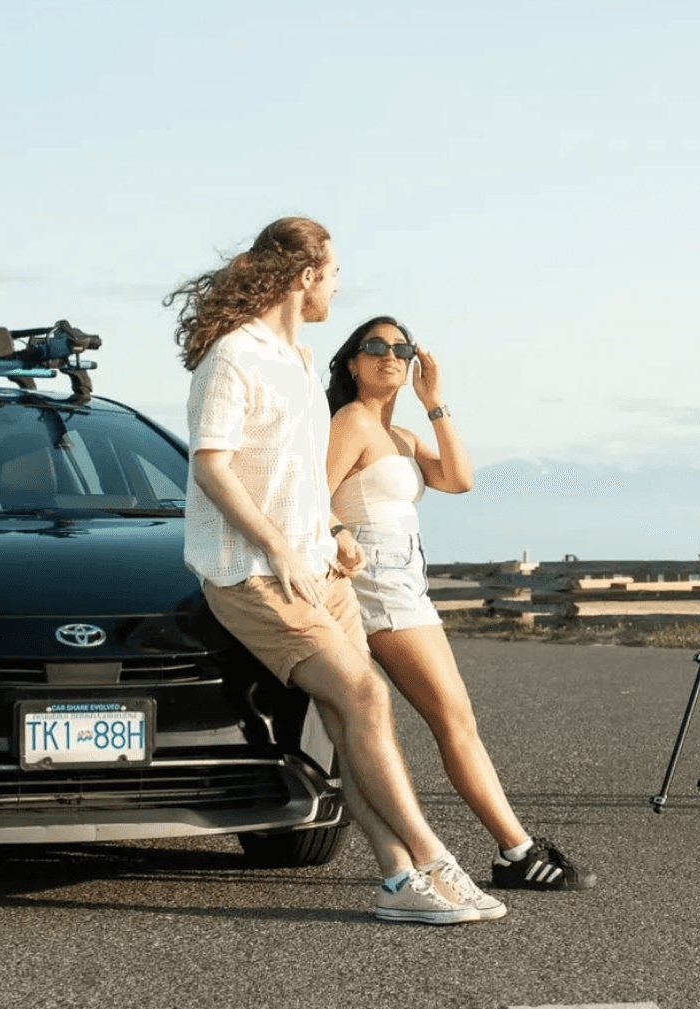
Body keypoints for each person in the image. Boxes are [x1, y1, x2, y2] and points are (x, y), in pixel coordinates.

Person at [166, 217, 504, 923]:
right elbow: (212, 467)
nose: (338, 286)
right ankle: (435, 858)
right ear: (306, 273)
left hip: (321, 567)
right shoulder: (234, 356)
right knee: (368, 698)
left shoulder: (294, 355)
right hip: (254, 574)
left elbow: (299, 481)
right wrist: (280, 547)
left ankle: (397, 880)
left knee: (353, 712)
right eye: (336, 273)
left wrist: (328, 534)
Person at [324, 315, 596, 890]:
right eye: (375, 347)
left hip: (405, 585)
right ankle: (515, 852)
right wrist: (336, 533)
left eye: (402, 348)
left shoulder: (398, 434)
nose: (390, 356)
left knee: (437, 721)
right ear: (352, 361)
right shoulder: (351, 422)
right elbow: (309, 501)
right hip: (378, 588)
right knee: (453, 721)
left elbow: (459, 479)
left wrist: (435, 401)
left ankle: (498, 850)